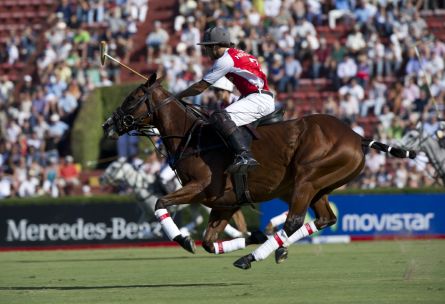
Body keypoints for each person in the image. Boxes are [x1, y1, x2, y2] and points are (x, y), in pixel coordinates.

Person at [176, 27, 275, 173]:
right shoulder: (239, 53)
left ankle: (244, 156)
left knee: (219, 117)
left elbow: (199, 87)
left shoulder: (224, 60)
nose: (206, 52)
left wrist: (177, 96)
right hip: (259, 96)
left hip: (258, 99)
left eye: (207, 48)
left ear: (215, 47)